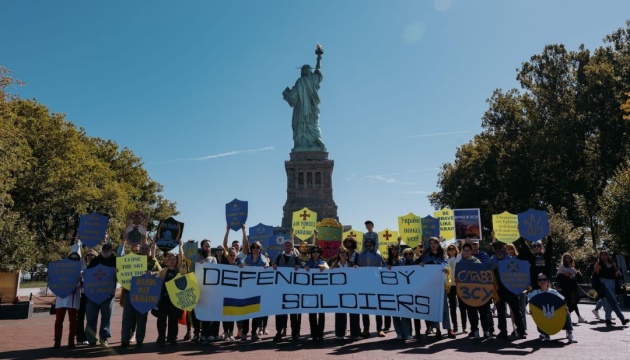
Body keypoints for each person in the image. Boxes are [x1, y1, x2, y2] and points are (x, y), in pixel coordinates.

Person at [282, 44, 326, 152]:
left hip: (302, 112)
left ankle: (302, 145)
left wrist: (286, 93)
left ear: (302, 72)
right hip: (311, 111)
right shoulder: (313, 80)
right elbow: (318, 70)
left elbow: (292, 98)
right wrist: (319, 57)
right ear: (309, 71)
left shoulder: (300, 82)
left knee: (303, 127)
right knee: (314, 126)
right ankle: (317, 142)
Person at [120, 243, 162, 347]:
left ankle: (139, 340)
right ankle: (124, 339)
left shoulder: (153, 261)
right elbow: (122, 269)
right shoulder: (132, 259)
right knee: (127, 317)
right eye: (142, 248)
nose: (143, 250)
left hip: (144, 293)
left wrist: (152, 273)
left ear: (149, 250)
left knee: (142, 318)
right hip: (129, 291)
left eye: (146, 249)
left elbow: (161, 272)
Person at [488, 241, 526, 340]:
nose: (498, 250)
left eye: (500, 247)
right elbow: (487, 272)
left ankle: (521, 331)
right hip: (499, 289)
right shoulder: (491, 260)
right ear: (493, 249)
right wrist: (493, 268)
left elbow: (519, 270)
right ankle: (503, 331)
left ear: (503, 248)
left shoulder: (510, 259)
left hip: (511, 289)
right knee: (501, 311)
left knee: (516, 311)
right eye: (496, 248)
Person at [420, 237, 455, 340]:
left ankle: (448, 329)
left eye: (435, 243)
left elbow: (447, 266)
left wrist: (446, 269)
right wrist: (421, 265)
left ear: (438, 244)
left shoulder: (442, 255)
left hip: (440, 285)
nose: (433, 245)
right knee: (434, 308)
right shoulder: (426, 256)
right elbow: (421, 267)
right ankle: (437, 330)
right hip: (430, 286)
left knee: (444, 307)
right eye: (431, 243)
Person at [527, 273, 577, 343]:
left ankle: (570, 334)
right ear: (538, 282)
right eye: (540, 280)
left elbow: (562, 303)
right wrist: (532, 311)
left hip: (556, 315)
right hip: (543, 317)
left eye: (544, 279)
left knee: (566, 312)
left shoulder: (553, 292)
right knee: (539, 317)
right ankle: (545, 333)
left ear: (548, 282)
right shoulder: (535, 293)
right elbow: (531, 304)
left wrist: (565, 309)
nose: (542, 281)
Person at [456, 243, 490, 339]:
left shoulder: (478, 262)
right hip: (467, 292)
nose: (466, 252)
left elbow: (484, 276)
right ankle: (475, 330)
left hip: (480, 292)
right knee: (471, 313)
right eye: (465, 250)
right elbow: (457, 278)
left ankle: (486, 331)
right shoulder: (460, 264)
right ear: (462, 251)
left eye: (468, 250)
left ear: (471, 251)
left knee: (483, 312)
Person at [272, 235, 303, 343]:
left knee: (294, 313)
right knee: (280, 312)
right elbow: (273, 266)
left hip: (293, 289)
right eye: (286, 245)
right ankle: (279, 332)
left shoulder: (296, 258)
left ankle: (295, 333)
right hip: (281, 289)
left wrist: (299, 267)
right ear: (283, 247)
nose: (288, 246)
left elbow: (303, 270)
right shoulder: (279, 257)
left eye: (290, 245)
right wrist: (273, 266)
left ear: (292, 247)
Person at [85, 243, 117, 347]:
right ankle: (91, 339)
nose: (105, 252)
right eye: (104, 250)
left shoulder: (116, 261)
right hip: (93, 294)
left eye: (108, 250)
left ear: (111, 251)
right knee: (91, 317)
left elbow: (121, 275)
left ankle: (104, 339)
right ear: (102, 250)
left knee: (106, 317)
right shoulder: (95, 260)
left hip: (108, 294)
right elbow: (88, 275)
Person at [237, 239, 269, 342]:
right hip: (247, 290)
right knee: (246, 312)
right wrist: (240, 265)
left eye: (258, 248)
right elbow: (239, 261)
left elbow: (268, 265)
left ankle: (254, 333)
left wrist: (267, 266)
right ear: (251, 249)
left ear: (260, 249)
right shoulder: (247, 259)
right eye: (254, 247)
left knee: (256, 313)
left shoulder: (263, 260)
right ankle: (245, 334)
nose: (255, 249)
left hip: (258, 290)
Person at [51, 252, 82, 349]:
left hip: (73, 298)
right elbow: (54, 279)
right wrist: (49, 279)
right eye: (71, 259)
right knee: (59, 320)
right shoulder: (61, 270)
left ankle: (71, 341)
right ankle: (57, 341)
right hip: (61, 297)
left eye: (75, 259)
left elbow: (82, 285)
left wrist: (80, 280)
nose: (73, 260)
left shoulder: (80, 271)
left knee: (73, 321)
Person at [156, 240, 185, 346]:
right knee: (161, 320)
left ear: (176, 261)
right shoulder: (163, 271)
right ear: (167, 261)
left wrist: (180, 246)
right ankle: (161, 337)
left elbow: (181, 257)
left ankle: (172, 337)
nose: (172, 261)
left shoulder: (179, 271)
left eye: (174, 259)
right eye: (170, 259)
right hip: (163, 300)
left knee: (173, 320)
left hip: (175, 300)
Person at [593, 249, 630, 327]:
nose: (604, 256)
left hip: (613, 284)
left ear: (608, 255)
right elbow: (595, 277)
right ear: (600, 256)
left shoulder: (612, 263)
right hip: (604, 284)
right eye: (602, 255)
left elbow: (618, 274)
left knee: (610, 303)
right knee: (613, 301)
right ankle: (622, 318)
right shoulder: (598, 265)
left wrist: (617, 274)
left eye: (605, 254)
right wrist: (598, 288)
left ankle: (608, 320)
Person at [331, 246, 360, 341]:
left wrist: (357, 270)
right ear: (338, 255)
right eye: (341, 252)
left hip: (351, 292)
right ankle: (340, 333)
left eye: (344, 252)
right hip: (339, 293)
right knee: (340, 313)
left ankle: (355, 333)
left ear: (347, 255)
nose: (343, 254)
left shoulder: (352, 265)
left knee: (354, 313)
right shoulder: (334, 266)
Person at [305, 245, 329, 342]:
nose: (315, 253)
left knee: (321, 313)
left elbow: (328, 268)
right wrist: (305, 268)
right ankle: (313, 332)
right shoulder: (308, 262)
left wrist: (325, 269)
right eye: (314, 252)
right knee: (312, 313)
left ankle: (320, 332)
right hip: (311, 292)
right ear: (311, 253)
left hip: (321, 291)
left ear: (319, 253)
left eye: (317, 252)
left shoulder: (323, 262)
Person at [555, 253, 586, 324]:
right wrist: (564, 275)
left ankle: (567, 315)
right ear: (564, 259)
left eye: (569, 258)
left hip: (573, 287)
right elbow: (558, 278)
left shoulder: (572, 268)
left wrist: (578, 274)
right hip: (566, 287)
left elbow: (579, 279)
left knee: (574, 301)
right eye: (566, 258)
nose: (568, 259)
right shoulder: (562, 267)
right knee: (571, 302)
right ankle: (577, 317)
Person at [76, 248, 96, 345]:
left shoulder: (97, 267)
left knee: (90, 317)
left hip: (92, 294)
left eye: (92, 255)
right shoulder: (82, 266)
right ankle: (80, 337)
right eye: (88, 255)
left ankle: (88, 337)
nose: (90, 256)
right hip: (83, 294)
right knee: (80, 317)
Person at [446, 243, 466, 334]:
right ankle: (455, 325)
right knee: (452, 307)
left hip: (460, 284)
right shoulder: (445, 260)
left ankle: (464, 325)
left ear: (456, 249)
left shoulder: (459, 257)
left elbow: (463, 245)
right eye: (449, 249)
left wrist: (463, 240)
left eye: (452, 249)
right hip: (450, 285)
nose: (451, 250)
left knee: (462, 306)